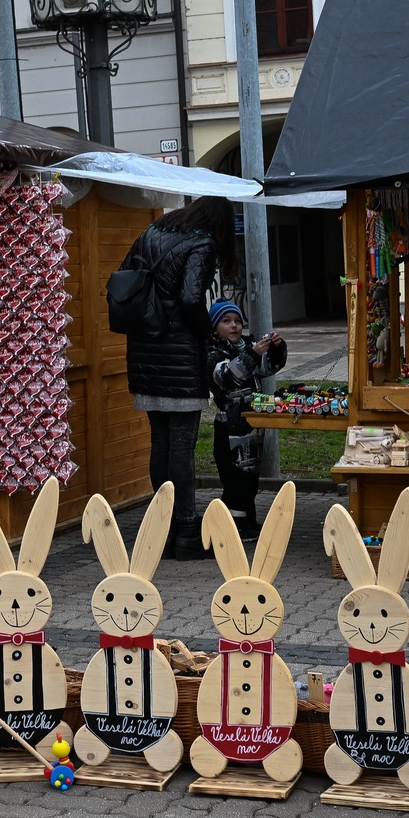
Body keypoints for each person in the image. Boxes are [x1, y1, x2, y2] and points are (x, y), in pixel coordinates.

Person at [120, 195, 233, 554]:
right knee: (181, 447)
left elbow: (125, 278)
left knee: (161, 442)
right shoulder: (203, 242)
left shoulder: (151, 232)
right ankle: (186, 529)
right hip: (180, 355)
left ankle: (163, 526)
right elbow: (189, 297)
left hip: (145, 350)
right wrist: (207, 331)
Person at [206, 299, 286, 536]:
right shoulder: (212, 352)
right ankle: (232, 528)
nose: (234, 326)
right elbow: (229, 376)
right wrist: (252, 353)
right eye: (226, 321)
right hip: (228, 427)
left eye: (238, 321)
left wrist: (276, 348)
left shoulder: (246, 346)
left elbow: (268, 367)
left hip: (251, 425)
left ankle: (247, 520)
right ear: (214, 328)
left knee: (249, 477)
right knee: (235, 480)